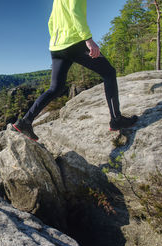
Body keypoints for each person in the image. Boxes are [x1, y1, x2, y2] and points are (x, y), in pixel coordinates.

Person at [12, 0, 138, 141]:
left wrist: (57, 39)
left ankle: (25, 121)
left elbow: (51, 22)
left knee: (55, 88)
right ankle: (116, 120)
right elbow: (75, 13)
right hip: (74, 43)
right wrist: (88, 39)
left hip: (56, 46)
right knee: (109, 73)